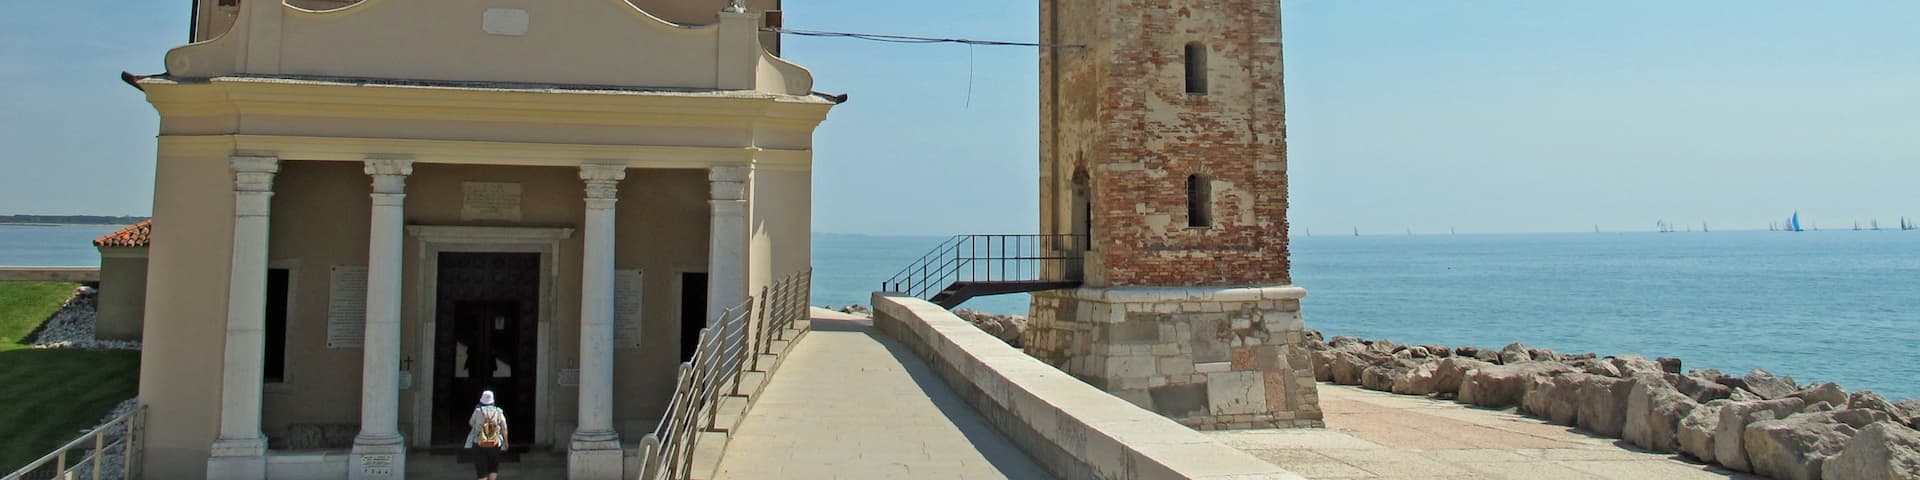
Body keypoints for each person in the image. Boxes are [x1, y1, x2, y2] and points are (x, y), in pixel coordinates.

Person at [467, 390, 509, 480]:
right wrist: (506, 442)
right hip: (495, 443)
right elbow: (504, 428)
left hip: (479, 442)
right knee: (493, 468)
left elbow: (471, 423)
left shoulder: (478, 411)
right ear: (493, 401)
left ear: (482, 401)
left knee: (481, 471)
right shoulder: (498, 411)